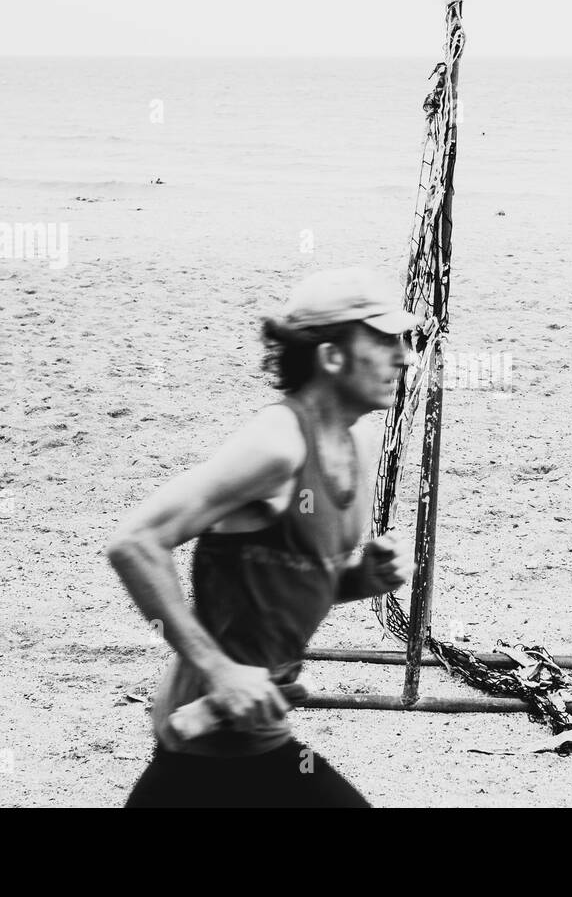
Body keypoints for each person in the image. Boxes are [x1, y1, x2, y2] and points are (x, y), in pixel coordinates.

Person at [107, 267, 417, 807]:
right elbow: (135, 542)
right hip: (209, 732)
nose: (405, 357)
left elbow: (287, 577)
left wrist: (358, 579)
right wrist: (220, 670)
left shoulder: (361, 443)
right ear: (332, 357)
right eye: (384, 340)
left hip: (254, 728)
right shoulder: (277, 445)